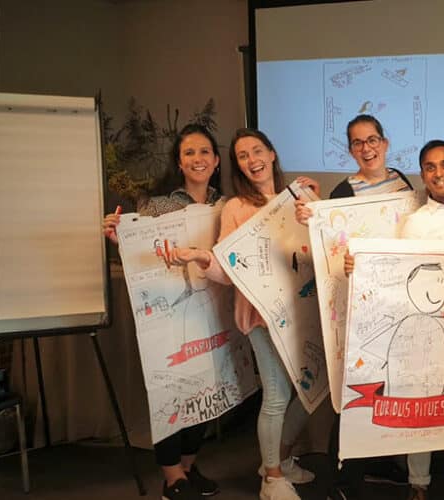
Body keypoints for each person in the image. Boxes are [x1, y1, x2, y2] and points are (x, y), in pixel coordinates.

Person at [344, 140, 444, 500]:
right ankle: (419, 482)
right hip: (433, 327)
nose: (439, 173)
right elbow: (398, 274)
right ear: (423, 175)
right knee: (424, 396)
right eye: (430, 167)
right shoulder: (415, 224)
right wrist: (360, 265)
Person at [167, 128, 318, 500]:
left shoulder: (300, 197)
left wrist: (317, 215)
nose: (253, 160)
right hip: (262, 316)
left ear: (271, 153)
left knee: (311, 390)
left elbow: (323, 251)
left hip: (303, 312)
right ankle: (272, 478)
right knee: (277, 395)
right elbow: (227, 266)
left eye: (257, 150)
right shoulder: (236, 207)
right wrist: (201, 258)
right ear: (236, 166)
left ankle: (281, 458)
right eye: (243, 156)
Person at [293, 114, 415, 499]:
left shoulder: (402, 182)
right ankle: (344, 478)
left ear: (385, 142)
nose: (367, 148)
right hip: (361, 305)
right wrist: (312, 217)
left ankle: (378, 461)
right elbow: (331, 243)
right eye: (358, 142)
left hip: (397, 301)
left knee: (390, 388)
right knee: (358, 392)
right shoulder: (344, 190)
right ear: (350, 150)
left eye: (372, 139)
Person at [102, 123, 224, 500]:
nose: (197, 159)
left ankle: (187, 466)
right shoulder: (157, 205)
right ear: (179, 162)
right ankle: (172, 478)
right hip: (169, 312)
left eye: (204, 151)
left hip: (211, 310)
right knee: (172, 391)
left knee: (205, 390)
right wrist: (119, 237)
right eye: (189, 152)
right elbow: (141, 253)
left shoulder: (224, 206)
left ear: (217, 161)